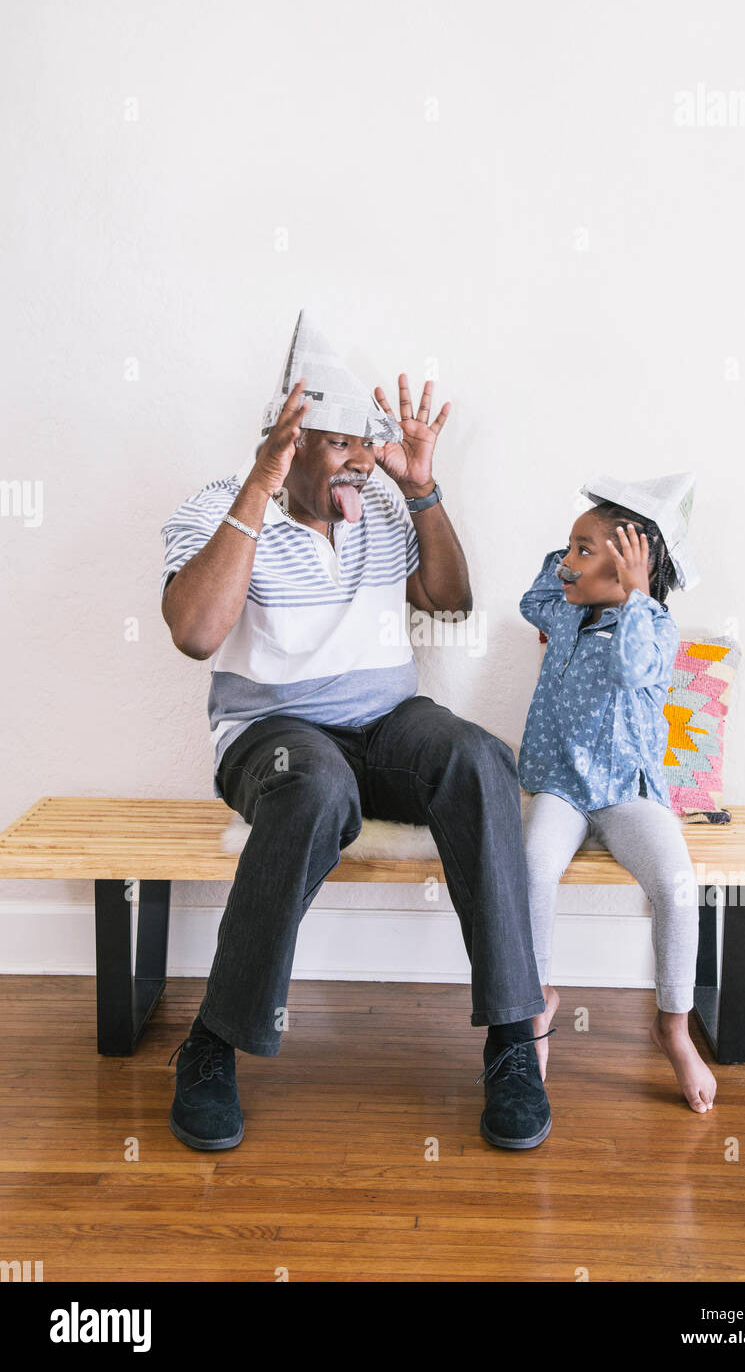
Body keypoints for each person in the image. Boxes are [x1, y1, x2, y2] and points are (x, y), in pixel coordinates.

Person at [159, 312, 553, 1152]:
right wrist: (256, 495)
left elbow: (447, 601)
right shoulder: (217, 506)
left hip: (388, 722)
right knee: (314, 785)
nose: (362, 461)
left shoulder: (378, 502)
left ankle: (514, 1040)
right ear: (287, 444)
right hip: (274, 731)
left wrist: (420, 491)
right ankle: (212, 1044)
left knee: (481, 761)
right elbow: (194, 632)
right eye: (341, 445)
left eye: (365, 445)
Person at [517, 473, 717, 1113]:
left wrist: (634, 594)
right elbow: (530, 599)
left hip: (629, 793)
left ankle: (674, 1025)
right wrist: (575, 557)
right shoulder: (562, 612)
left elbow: (636, 669)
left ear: (634, 568)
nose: (567, 562)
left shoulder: (655, 625)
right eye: (569, 548)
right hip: (563, 788)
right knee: (531, 867)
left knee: (676, 885)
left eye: (583, 551)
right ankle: (535, 1003)